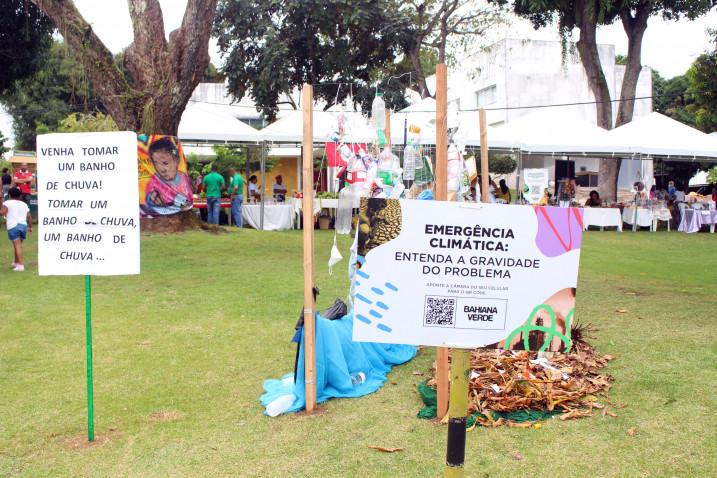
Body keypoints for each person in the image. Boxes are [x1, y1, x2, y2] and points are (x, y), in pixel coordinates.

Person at [142, 137, 194, 215]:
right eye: (156, 164)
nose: (162, 169)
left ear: (176, 160)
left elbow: (188, 195)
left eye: (165, 163)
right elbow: (147, 197)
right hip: (159, 214)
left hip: (179, 215)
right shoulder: (154, 180)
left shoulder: (183, 178)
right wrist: (151, 198)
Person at [0, 187, 32, 272]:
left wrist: (1, 204)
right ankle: (16, 262)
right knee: (17, 245)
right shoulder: (24, 204)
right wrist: (30, 227)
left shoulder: (7, 203)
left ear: (10, 195)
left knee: (17, 245)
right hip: (23, 226)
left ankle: (20, 265)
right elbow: (29, 216)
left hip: (13, 226)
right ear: (20, 195)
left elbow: (2, 213)